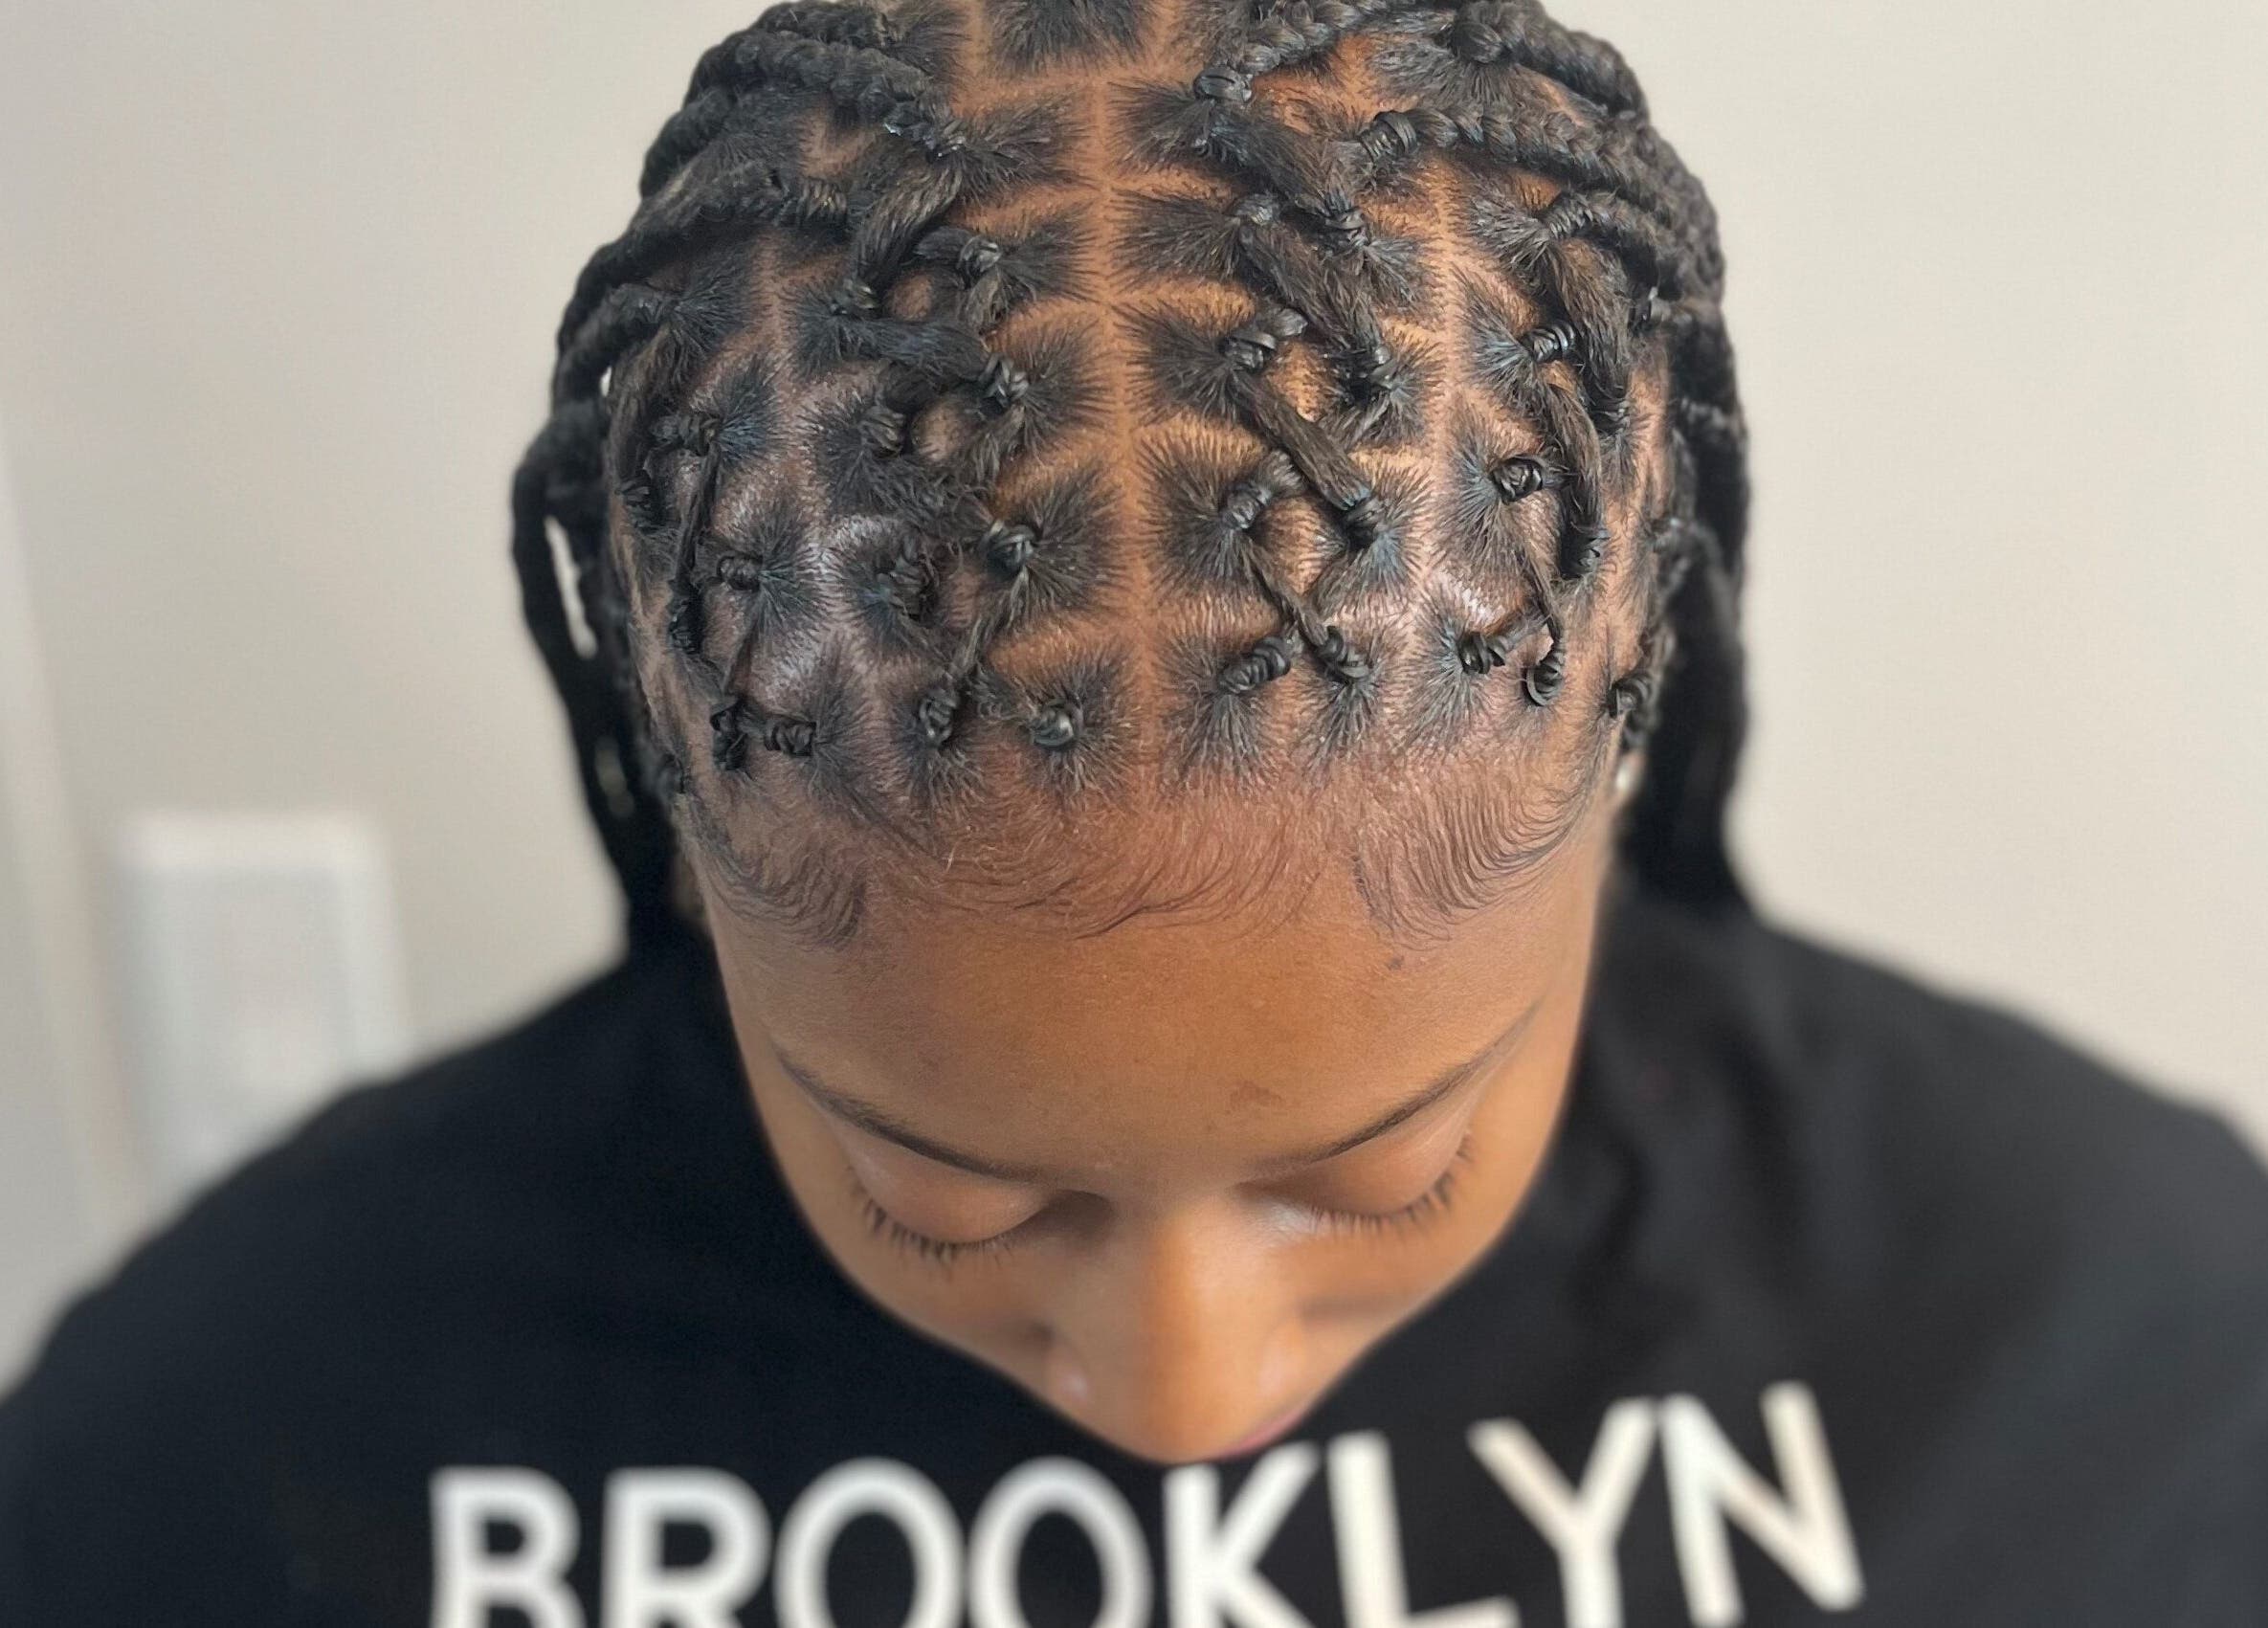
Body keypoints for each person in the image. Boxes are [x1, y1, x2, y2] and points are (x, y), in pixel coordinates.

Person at [4, 1, 2264, 1622]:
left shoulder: (2130, 1342)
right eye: (951, 1200)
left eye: (1382, 1172)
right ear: (692, 816)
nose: (1187, 1399)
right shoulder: (223, 1446)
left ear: (1621, 717)